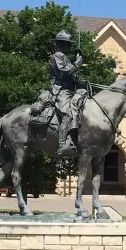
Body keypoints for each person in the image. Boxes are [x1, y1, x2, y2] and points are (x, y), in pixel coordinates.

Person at [50, 30, 84, 158]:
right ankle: (63, 144)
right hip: (61, 90)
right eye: (68, 44)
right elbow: (63, 73)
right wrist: (77, 63)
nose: (70, 46)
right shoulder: (57, 56)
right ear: (61, 44)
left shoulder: (65, 57)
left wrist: (79, 80)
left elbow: (71, 75)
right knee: (67, 112)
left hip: (70, 89)